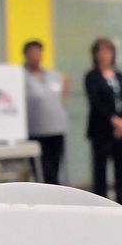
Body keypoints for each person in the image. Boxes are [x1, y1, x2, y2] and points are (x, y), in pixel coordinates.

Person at [84, 37, 122, 206]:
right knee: (101, 169)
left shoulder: (119, 76)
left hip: (121, 130)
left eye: (108, 51)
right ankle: (101, 203)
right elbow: (96, 102)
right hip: (102, 129)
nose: (104, 55)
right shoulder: (92, 76)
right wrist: (113, 120)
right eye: (101, 51)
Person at [22, 40, 69, 185]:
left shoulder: (51, 75)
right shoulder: (22, 75)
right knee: (42, 169)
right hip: (36, 129)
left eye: (38, 52)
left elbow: (66, 81)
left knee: (55, 167)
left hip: (56, 128)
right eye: (33, 53)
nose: (36, 56)